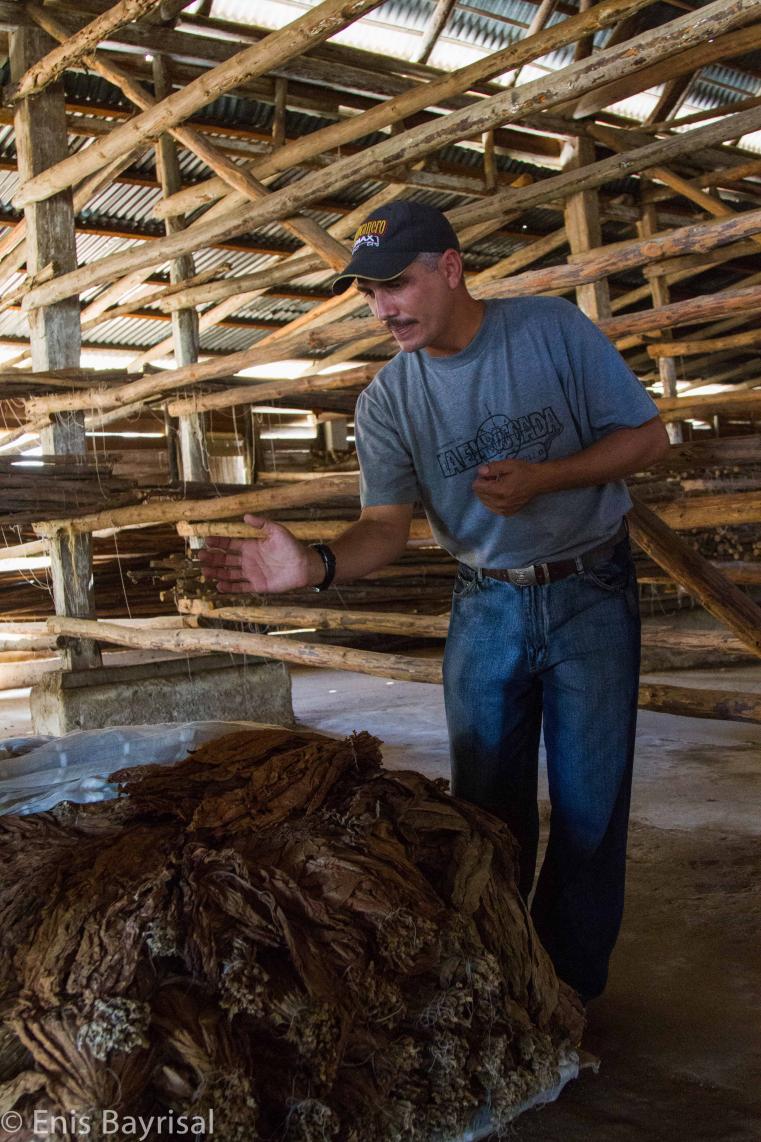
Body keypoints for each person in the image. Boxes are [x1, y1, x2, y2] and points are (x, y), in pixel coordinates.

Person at [199, 200, 670, 1003]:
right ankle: (500, 981)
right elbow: (383, 528)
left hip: (589, 589)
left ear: (450, 268)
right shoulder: (388, 400)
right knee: (484, 812)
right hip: (486, 604)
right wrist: (314, 566)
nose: (382, 308)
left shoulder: (549, 331)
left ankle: (568, 993)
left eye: (395, 285)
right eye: (368, 293)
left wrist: (546, 478)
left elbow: (647, 437)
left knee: (591, 810)